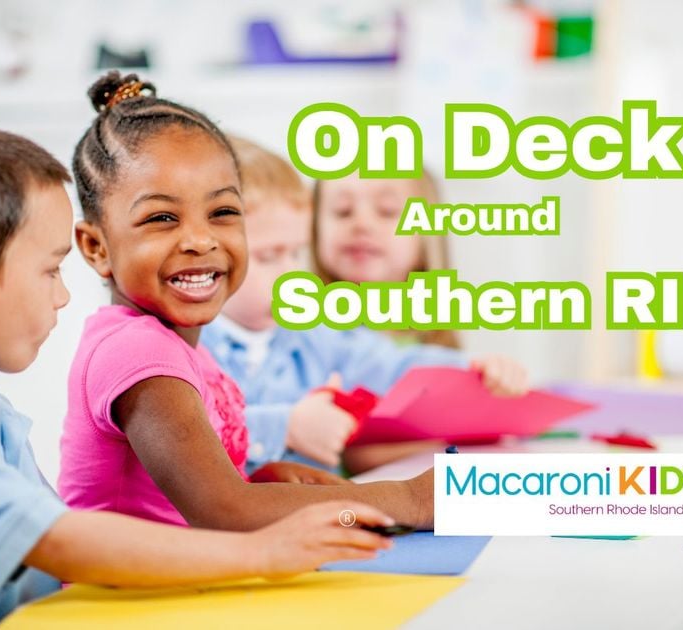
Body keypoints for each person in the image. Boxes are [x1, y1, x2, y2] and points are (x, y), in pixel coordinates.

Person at [0, 110, 394, 630]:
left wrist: (257, 486)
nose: (63, 296)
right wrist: (263, 552)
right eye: (50, 270)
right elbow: (58, 540)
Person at [59, 72, 434, 532]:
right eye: (161, 217)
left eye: (223, 213)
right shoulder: (138, 354)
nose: (200, 239)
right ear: (96, 246)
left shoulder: (185, 350)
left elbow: (203, 495)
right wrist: (409, 498)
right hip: (127, 601)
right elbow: (223, 511)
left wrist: (264, 480)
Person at [203, 138, 529, 474]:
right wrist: (285, 427)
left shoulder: (314, 329)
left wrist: (474, 369)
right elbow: (185, 432)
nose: (291, 274)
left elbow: (391, 365)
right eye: (270, 256)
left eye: (297, 253)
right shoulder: (189, 343)